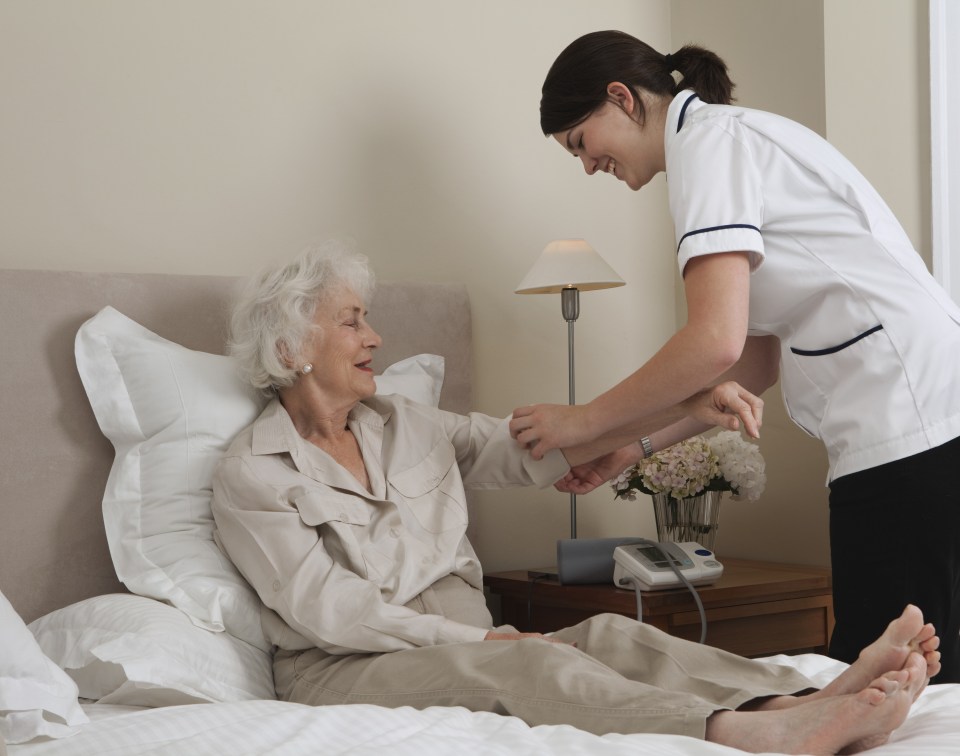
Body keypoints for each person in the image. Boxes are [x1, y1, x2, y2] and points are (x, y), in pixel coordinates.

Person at [211, 241, 941, 754]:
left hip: (476, 645)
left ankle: (805, 696)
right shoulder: (252, 473)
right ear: (289, 347)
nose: (374, 334)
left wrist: (689, 409)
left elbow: (535, 450)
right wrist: (482, 640)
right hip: (344, 670)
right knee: (531, 665)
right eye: (350, 319)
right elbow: (334, 614)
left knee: (609, 635)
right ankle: (745, 732)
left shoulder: (406, 422)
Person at [509, 30, 960, 683]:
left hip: (907, 425)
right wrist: (630, 448)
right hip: (927, 420)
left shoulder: (708, 147)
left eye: (582, 142)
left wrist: (582, 423)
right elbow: (750, 363)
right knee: (915, 683)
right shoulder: (728, 139)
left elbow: (712, 340)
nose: (586, 165)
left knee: (880, 680)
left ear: (622, 99)